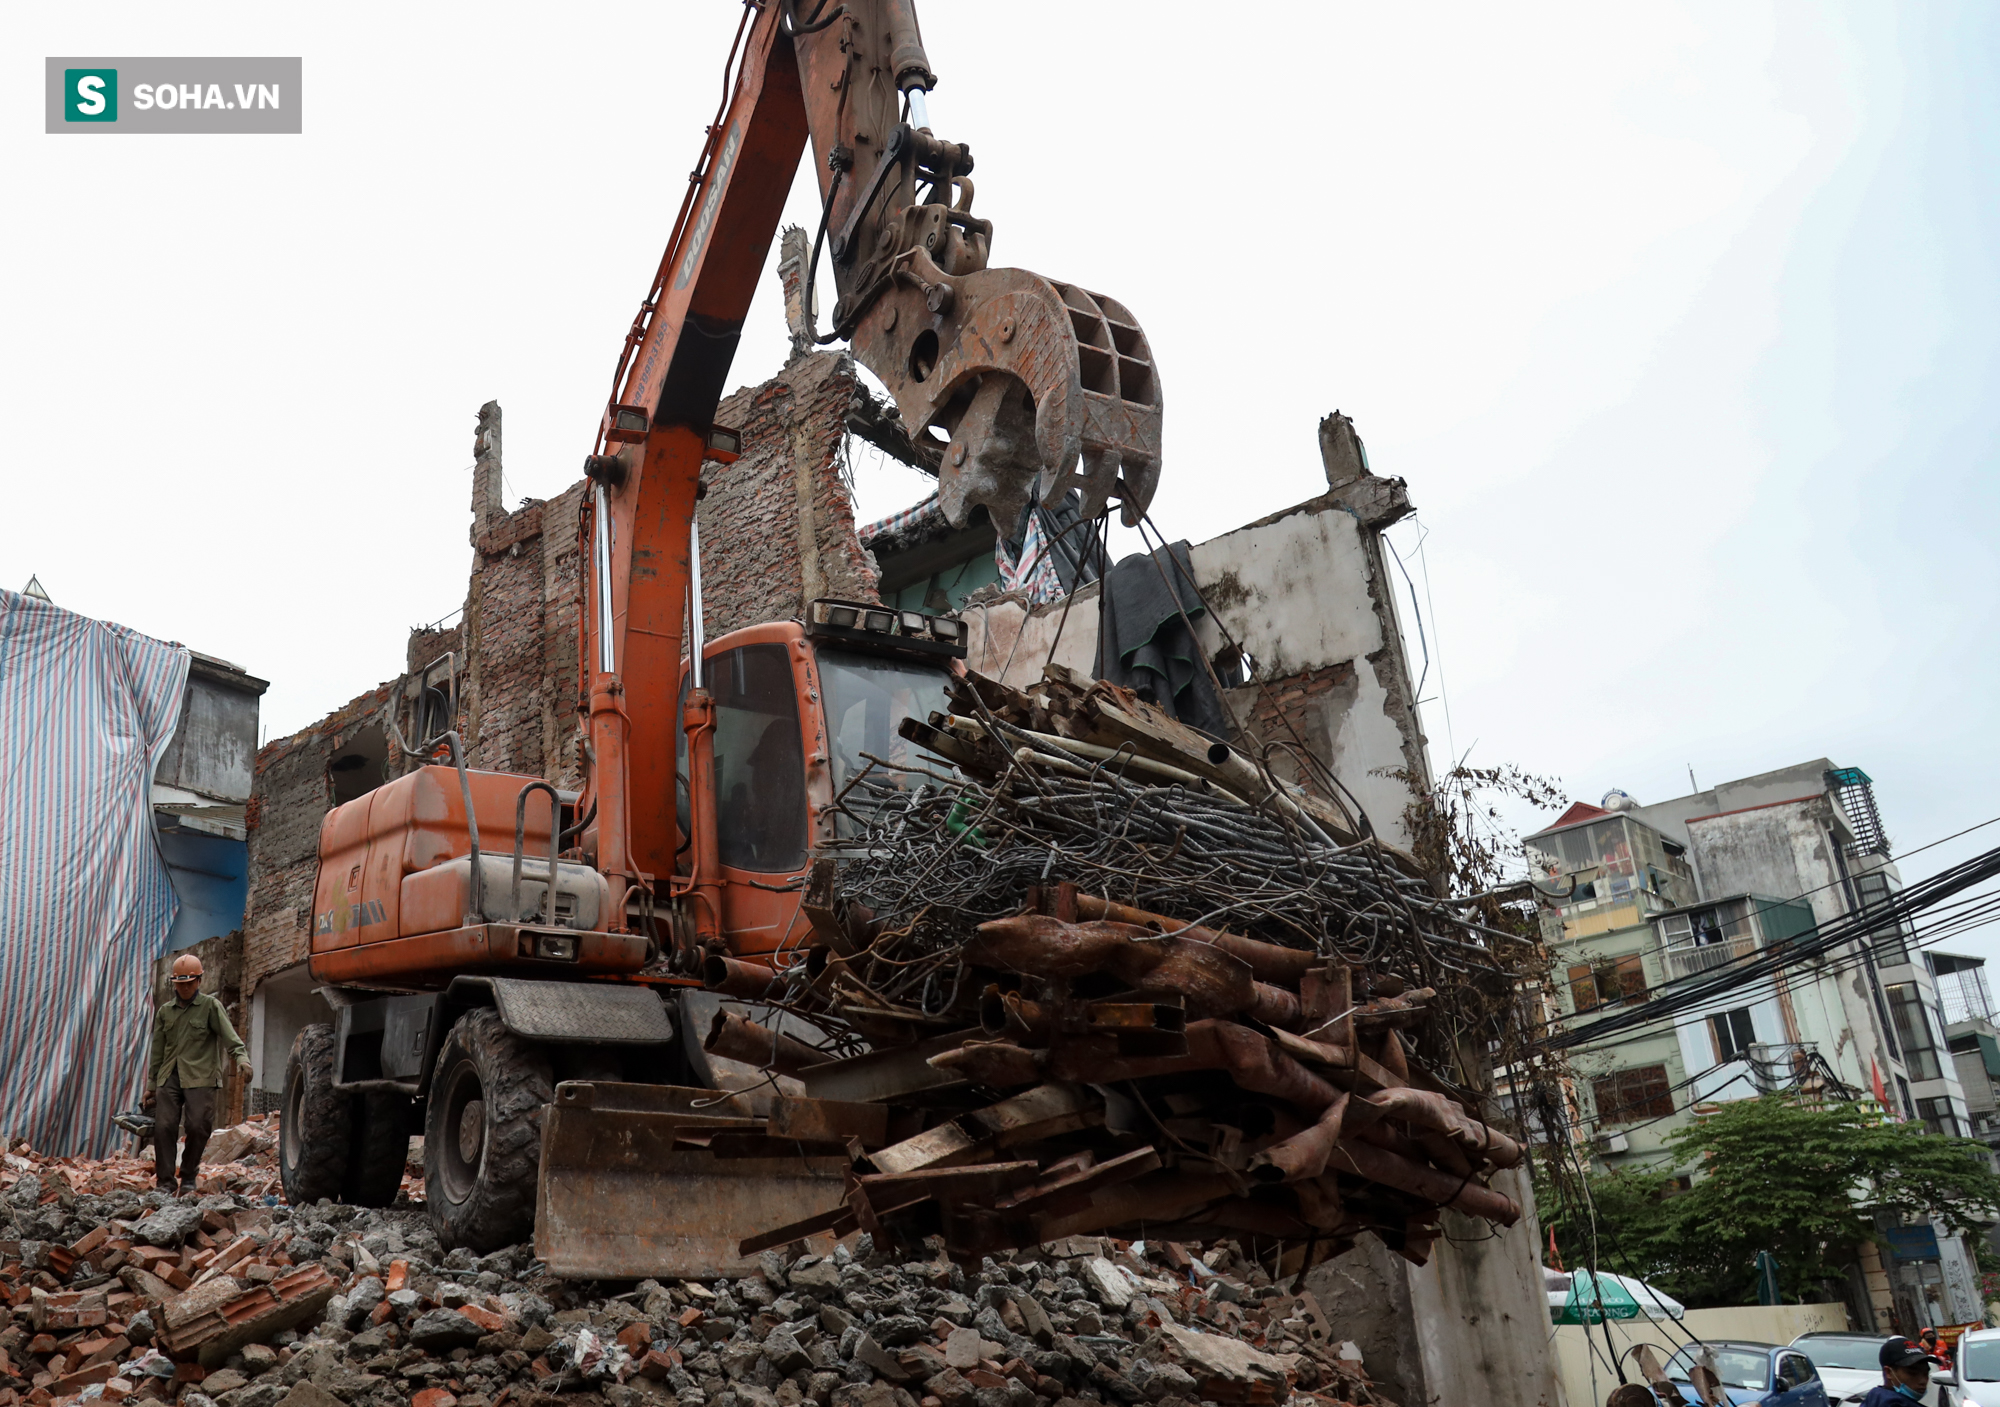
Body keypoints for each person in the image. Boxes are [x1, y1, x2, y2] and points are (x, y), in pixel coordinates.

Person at [143, 953, 251, 1196]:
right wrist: (151, 1084)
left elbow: (230, 1037)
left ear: (199, 981)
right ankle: (165, 1182)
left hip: (200, 1076)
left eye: (189, 983)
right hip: (170, 1075)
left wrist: (242, 1059)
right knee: (164, 1127)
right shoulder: (165, 1012)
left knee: (197, 1126)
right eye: (180, 984)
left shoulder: (211, 1007)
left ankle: (189, 1176)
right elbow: (158, 1050)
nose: (184, 988)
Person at [1860, 1336, 1934, 1406]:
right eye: (1913, 1373)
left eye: (1925, 1374)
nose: (1923, 1381)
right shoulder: (1893, 1403)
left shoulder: (1875, 1398)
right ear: (1889, 1372)